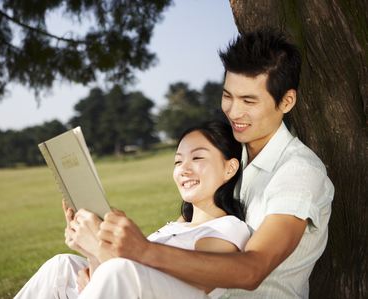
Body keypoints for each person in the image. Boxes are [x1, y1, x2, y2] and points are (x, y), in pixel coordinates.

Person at [73, 28, 335, 299]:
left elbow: (253, 270)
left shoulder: (299, 172)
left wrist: (141, 251)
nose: (234, 111)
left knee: (115, 276)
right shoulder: (229, 158)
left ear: (286, 101)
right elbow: (181, 233)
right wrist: (101, 248)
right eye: (228, 96)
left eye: (249, 100)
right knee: (64, 267)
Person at [14, 121, 251, 299]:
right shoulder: (177, 228)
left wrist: (100, 249)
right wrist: (92, 252)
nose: (184, 169)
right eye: (178, 161)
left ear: (230, 168)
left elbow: (199, 286)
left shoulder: (227, 226)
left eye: (197, 158)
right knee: (62, 265)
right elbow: (118, 276)